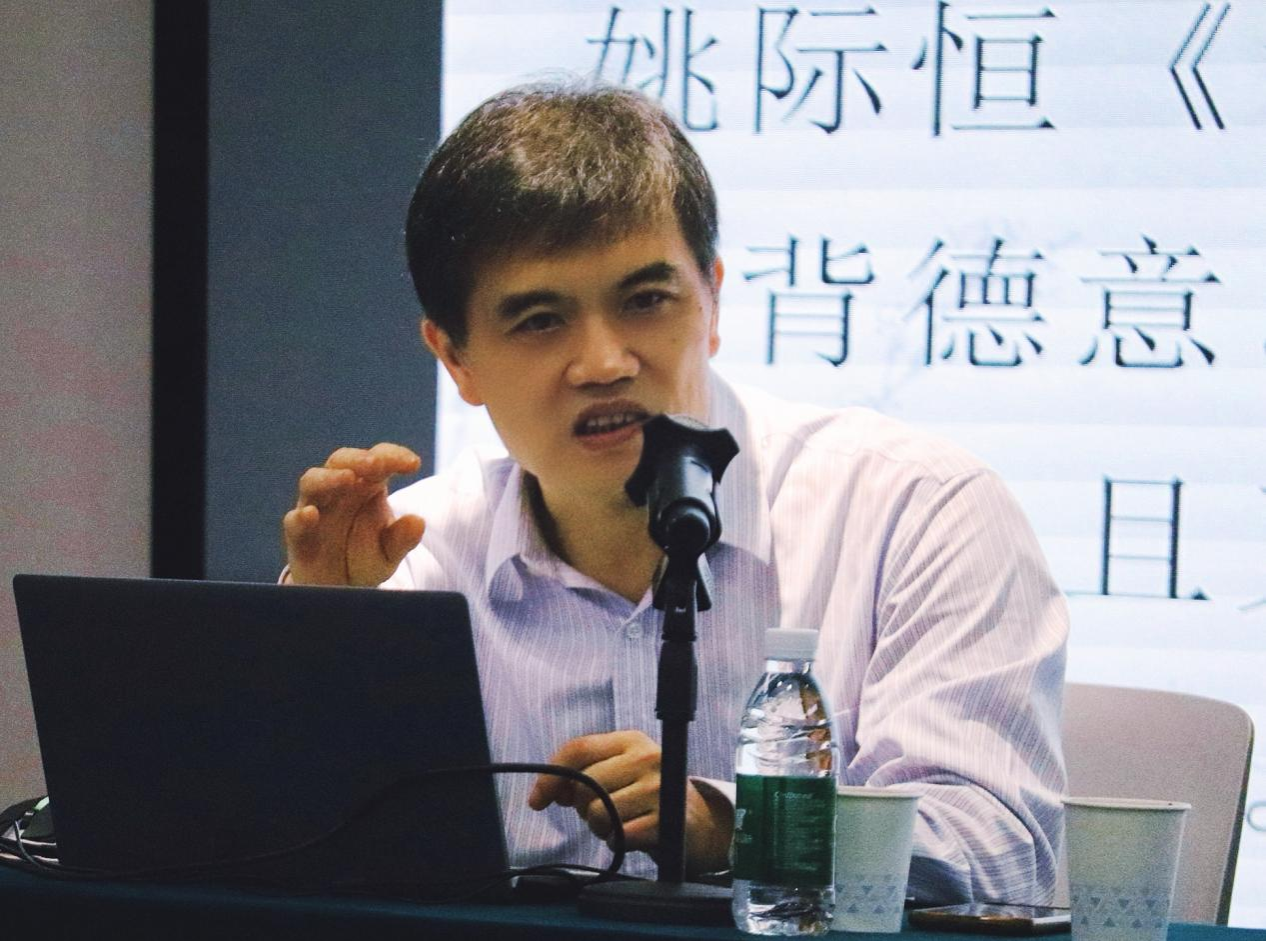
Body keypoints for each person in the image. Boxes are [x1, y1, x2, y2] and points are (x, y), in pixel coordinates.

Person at [281, 81, 1068, 903]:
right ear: (456, 359)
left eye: (645, 301)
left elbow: (1000, 850)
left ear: (712, 300)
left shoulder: (918, 510)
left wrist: (735, 829)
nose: (604, 363)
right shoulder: (408, 561)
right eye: (540, 319)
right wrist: (325, 636)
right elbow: (270, 866)